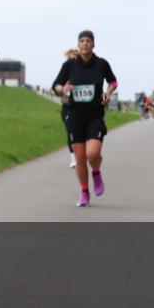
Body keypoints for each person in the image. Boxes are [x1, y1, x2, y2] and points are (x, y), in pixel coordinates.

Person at [52, 31, 118, 207]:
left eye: (88, 41)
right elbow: (56, 85)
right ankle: (84, 192)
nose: (85, 44)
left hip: (95, 115)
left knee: (92, 154)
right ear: (78, 45)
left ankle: (96, 172)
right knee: (80, 158)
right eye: (82, 41)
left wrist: (109, 92)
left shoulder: (101, 64)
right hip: (75, 117)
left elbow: (113, 81)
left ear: (93, 44)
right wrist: (63, 89)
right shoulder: (69, 65)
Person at [61, 49, 78, 168]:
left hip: (81, 108)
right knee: (70, 132)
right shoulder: (64, 74)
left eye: (74, 58)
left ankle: (82, 154)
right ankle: (73, 159)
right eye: (69, 59)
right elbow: (57, 87)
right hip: (67, 107)